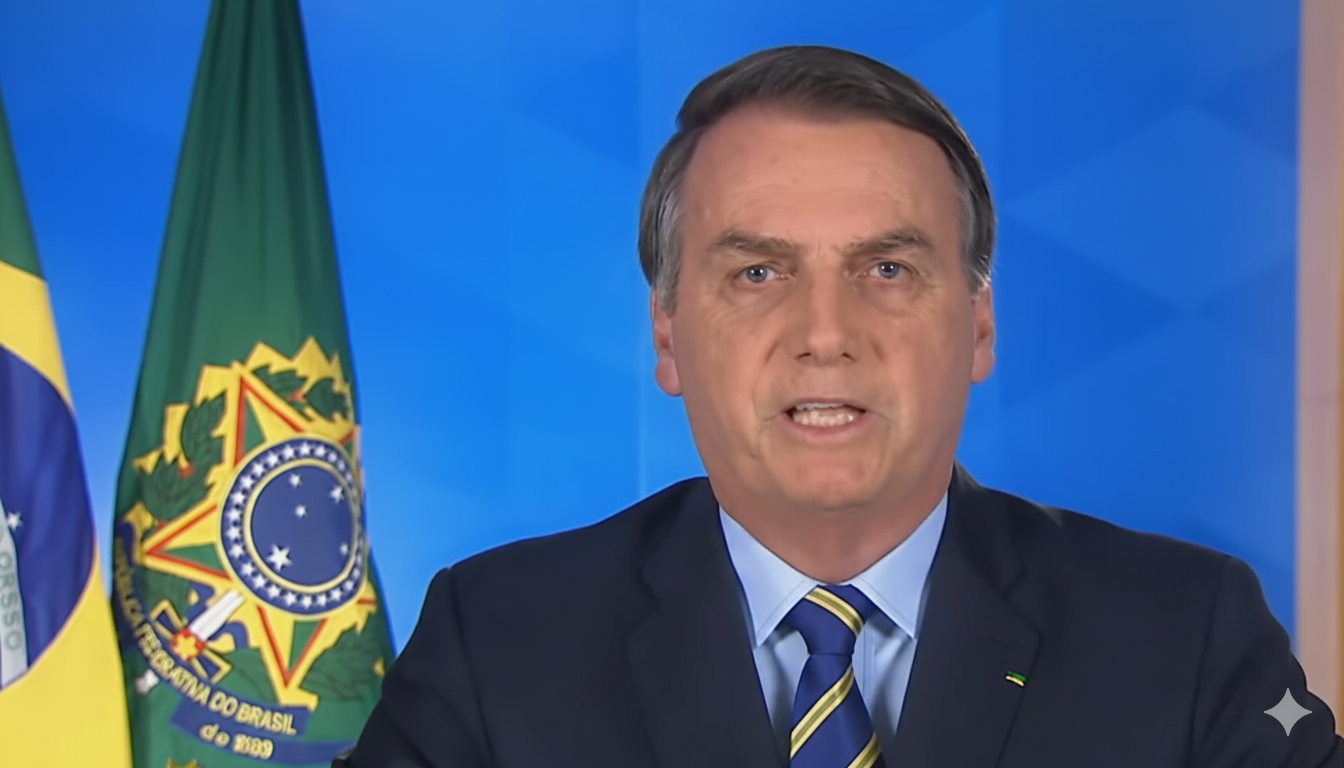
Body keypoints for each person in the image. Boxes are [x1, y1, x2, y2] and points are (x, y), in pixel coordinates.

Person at [343, 45, 1343, 767]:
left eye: (888, 269)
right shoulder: (497, 642)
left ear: (979, 327)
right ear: (668, 336)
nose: (826, 333)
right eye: (758, 273)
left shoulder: (1186, 633)